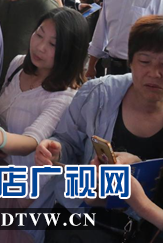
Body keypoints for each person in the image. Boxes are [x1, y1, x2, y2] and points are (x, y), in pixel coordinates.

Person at [0, 8, 89, 243]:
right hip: (2, 178)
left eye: (53, 44)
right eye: (39, 34)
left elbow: (31, 142)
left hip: (28, 193)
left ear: (70, 52)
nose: (40, 47)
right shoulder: (18, 64)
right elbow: (2, 114)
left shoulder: (64, 95)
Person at [34, 15, 163, 242]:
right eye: (145, 61)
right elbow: (68, 140)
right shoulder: (98, 94)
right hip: (80, 224)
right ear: (130, 61)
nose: (154, 73)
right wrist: (57, 150)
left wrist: (140, 202)